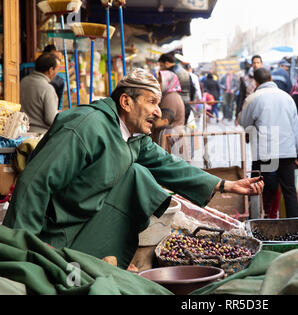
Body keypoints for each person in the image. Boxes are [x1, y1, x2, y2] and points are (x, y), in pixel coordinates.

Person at [3, 68, 264, 269]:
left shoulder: (133, 137)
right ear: (126, 102)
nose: (157, 111)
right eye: (151, 102)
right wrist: (26, 248)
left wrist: (225, 185)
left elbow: (167, 164)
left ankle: (100, 256)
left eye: (158, 103)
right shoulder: (86, 127)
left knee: (138, 174)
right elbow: (35, 182)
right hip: (55, 231)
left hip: (88, 218)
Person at [238, 67, 298, 218]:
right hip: (287, 151)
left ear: (255, 81)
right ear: (271, 79)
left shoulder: (253, 98)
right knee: (289, 191)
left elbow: (245, 123)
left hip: (264, 151)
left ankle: (260, 223)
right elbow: (296, 126)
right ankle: (295, 228)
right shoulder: (287, 97)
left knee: (259, 187)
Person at [20, 52, 60, 135]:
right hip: (40, 136)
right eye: (57, 69)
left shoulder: (23, 82)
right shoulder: (48, 89)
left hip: (20, 133)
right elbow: (51, 119)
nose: (57, 72)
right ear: (51, 70)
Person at [158, 53, 193, 124]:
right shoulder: (184, 71)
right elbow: (192, 88)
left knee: (171, 129)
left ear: (167, 63)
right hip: (186, 105)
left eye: (161, 65)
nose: (161, 68)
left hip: (174, 106)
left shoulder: (170, 73)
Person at [235, 55, 264, 123]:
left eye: (258, 63)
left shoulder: (266, 77)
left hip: (263, 110)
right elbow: (241, 97)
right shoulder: (245, 79)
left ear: (261, 64)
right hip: (249, 110)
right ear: (251, 64)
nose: (256, 65)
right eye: (254, 63)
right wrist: (238, 114)